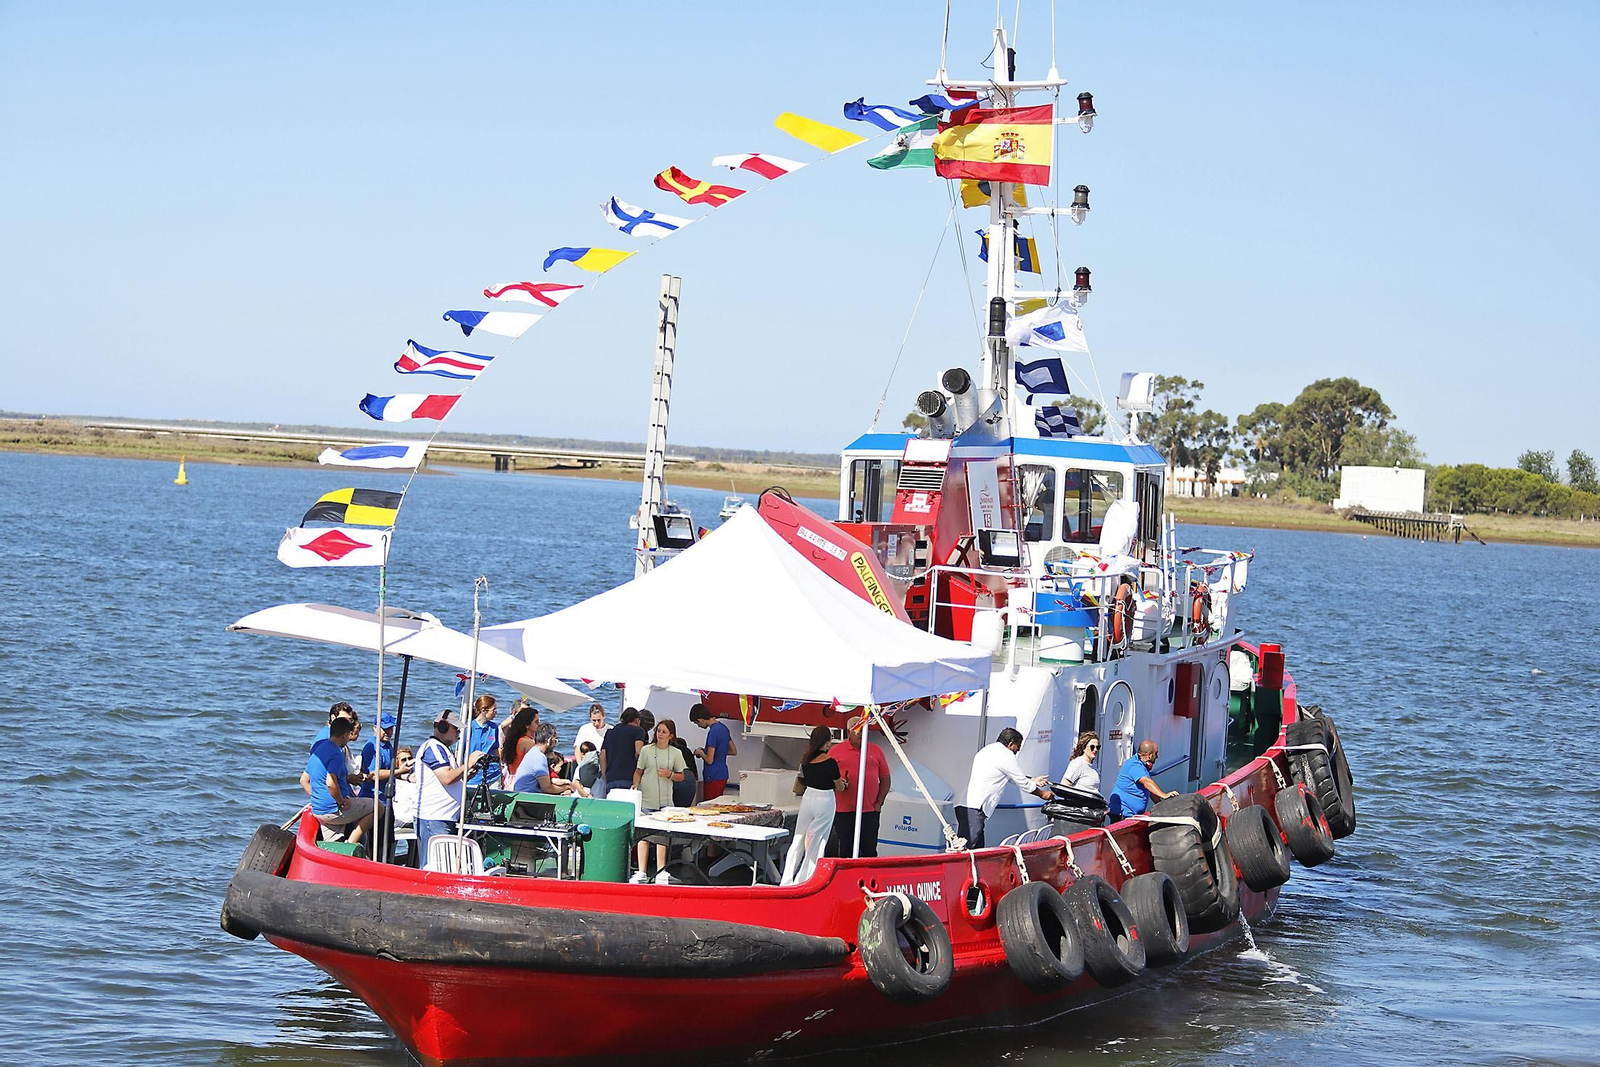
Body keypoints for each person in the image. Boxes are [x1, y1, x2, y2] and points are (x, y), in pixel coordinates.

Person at [955, 727, 1052, 850]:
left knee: (976, 850)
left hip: (967, 806)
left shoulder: (987, 750)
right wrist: (1042, 794)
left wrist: (1033, 780)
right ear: (1011, 744)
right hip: (974, 809)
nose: (1019, 749)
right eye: (1019, 745)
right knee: (968, 851)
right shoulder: (1006, 755)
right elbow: (1022, 783)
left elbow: (1010, 777)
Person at [414, 709, 490, 864]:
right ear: (442, 727)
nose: (458, 733)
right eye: (455, 729)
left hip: (442, 817)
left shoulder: (442, 749)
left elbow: (450, 777)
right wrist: (467, 763)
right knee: (433, 865)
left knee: (443, 864)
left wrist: (466, 774)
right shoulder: (433, 748)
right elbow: (447, 778)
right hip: (434, 817)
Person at [782, 726, 848, 886]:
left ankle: (786, 880)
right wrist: (845, 784)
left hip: (808, 797)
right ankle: (806, 880)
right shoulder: (830, 762)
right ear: (826, 743)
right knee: (817, 840)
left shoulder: (805, 761)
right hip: (824, 799)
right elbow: (839, 787)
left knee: (798, 838)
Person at [306, 718, 381, 846]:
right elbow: (330, 783)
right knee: (378, 807)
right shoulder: (336, 753)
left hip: (318, 810)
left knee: (334, 845)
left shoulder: (319, 750)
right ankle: (351, 843)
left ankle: (340, 852)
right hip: (333, 810)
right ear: (345, 735)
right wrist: (341, 802)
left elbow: (304, 779)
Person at [827, 715, 891, 858]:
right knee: (846, 848)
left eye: (864, 730)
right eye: (858, 730)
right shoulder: (835, 751)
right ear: (849, 732)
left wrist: (879, 802)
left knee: (869, 848)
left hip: (869, 810)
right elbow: (826, 779)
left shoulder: (876, 750)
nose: (862, 733)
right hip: (844, 810)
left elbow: (885, 779)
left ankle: (870, 878)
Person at [631, 720, 687, 884]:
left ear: (671, 736)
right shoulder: (647, 750)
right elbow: (638, 771)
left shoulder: (676, 753)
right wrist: (635, 785)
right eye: (658, 731)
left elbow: (681, 776)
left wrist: (669, 774)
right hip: (647, 797)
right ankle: (641, 871)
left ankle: (661, 871)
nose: (660, 734)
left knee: (662, 837)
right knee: (644, 836)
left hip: (665, 800)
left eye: (664, 732)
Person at [510, 723, 589, 796]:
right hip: (528, 799)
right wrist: (567, 787)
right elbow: (547, 788)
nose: (555, 744)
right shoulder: (539, 757)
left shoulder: (532, 752)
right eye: (555, 740)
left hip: (522, 795)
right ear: (549, 740)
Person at [1108, 739, 1179, 819]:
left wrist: (1160, 804)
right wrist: (1164, 795)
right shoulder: (1134, 765)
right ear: (1149, 755)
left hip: (1133, 814)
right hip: (1123, 813)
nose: (1157, 757)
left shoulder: (1142, 766)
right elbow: (1147, 782)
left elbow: (1150, 790)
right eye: (1156, 754)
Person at [689, 704, 737, 801]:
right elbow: (733, 751)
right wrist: (717, 752)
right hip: (723, 773)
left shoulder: (713, 732)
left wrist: (701, 753)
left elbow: (709, 760)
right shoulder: (724, 728)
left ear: (700, 720)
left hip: (713, 775)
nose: (698, 726)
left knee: (710, 806)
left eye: (697, 723)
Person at [600, 708, 648, 796]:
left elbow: (603, 756)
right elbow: (639, 751)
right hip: (629, 777)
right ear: (637, 720)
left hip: (611, 778)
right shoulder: (638, 731)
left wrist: (605, 777)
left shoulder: (610, 732)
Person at [498, 707, 539, 787]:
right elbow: (535, 764)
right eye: (536, 722)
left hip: (510, 779)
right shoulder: (527, 742)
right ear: (527, 725)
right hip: (522, 780)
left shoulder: (514, 739)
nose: (539, 724)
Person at [464, 694, 499, 789]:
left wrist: (501, 770)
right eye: (494, 710)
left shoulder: (494, 727)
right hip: (474, 776)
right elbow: (460, 751)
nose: (496, 713)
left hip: (493, 775)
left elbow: (496, 750)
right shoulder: (468, 728)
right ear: (484, 711)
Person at [670, 736, 698, 808]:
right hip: (689, 779)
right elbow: (694, 773)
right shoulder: (687, 751)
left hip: (676, 776)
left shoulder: (672, 750)